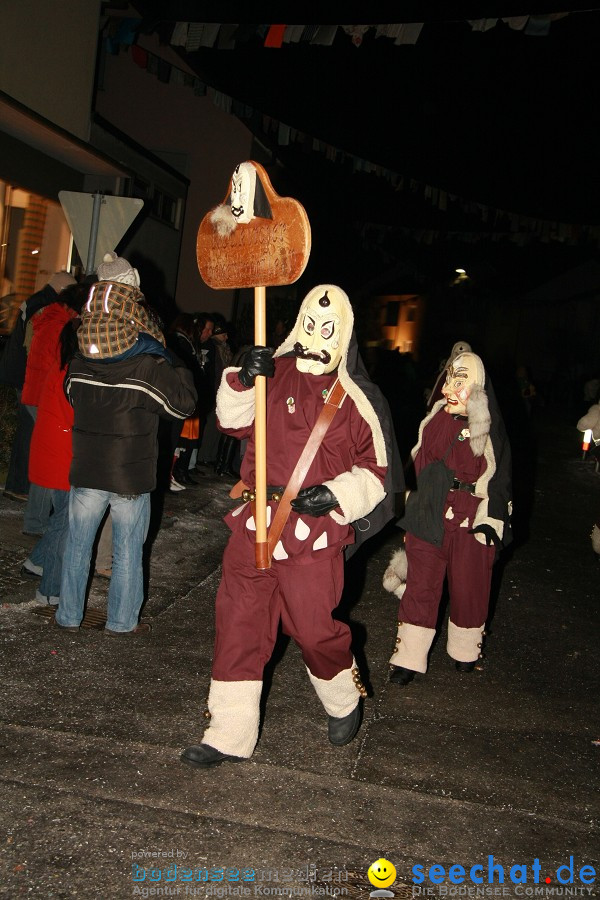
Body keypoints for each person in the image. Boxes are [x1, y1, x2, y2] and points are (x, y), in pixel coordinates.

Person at [181, 283, 402, 769]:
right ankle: (228, 733)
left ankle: (343, 696)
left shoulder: (358, 398)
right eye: (309, 324)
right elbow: (231, 422)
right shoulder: (271, 372)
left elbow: (379, 471)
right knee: (238, 624)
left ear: (342, 336)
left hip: (313, 536)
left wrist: (340, 493)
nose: (315, 335)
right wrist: (241, 379)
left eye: (327, 329)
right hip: (255, 523)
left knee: (312, 628)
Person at [54, 251, 197, 635]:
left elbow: (72, 396)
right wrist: (179, 364)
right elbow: (183, 407)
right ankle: (120, 622)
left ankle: (68, 616)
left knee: (78, 549)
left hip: (86, 468)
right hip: (130, 475)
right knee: (128, 553)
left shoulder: (81, 359)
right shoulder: (148, 364)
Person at [382, 350, 512, 684]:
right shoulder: (436, 419)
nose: (450, 388)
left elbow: (500, 477)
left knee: (470, 586)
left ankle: (465, 650)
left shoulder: (489, 426)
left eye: (461, 380)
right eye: (449, 379)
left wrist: (490, 517)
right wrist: (410, 507)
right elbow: (418, 461)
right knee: (421, 586)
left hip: (469, 517)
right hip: (430, 510)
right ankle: (408, 658)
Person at [1, 271, 76, 503]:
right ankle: (21, 487)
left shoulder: (35, 300)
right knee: (32, 435)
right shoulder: (48, 307)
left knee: (27, 432)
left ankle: (17, 485)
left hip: (20, 374)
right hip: (28, 377)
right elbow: (38, 348)